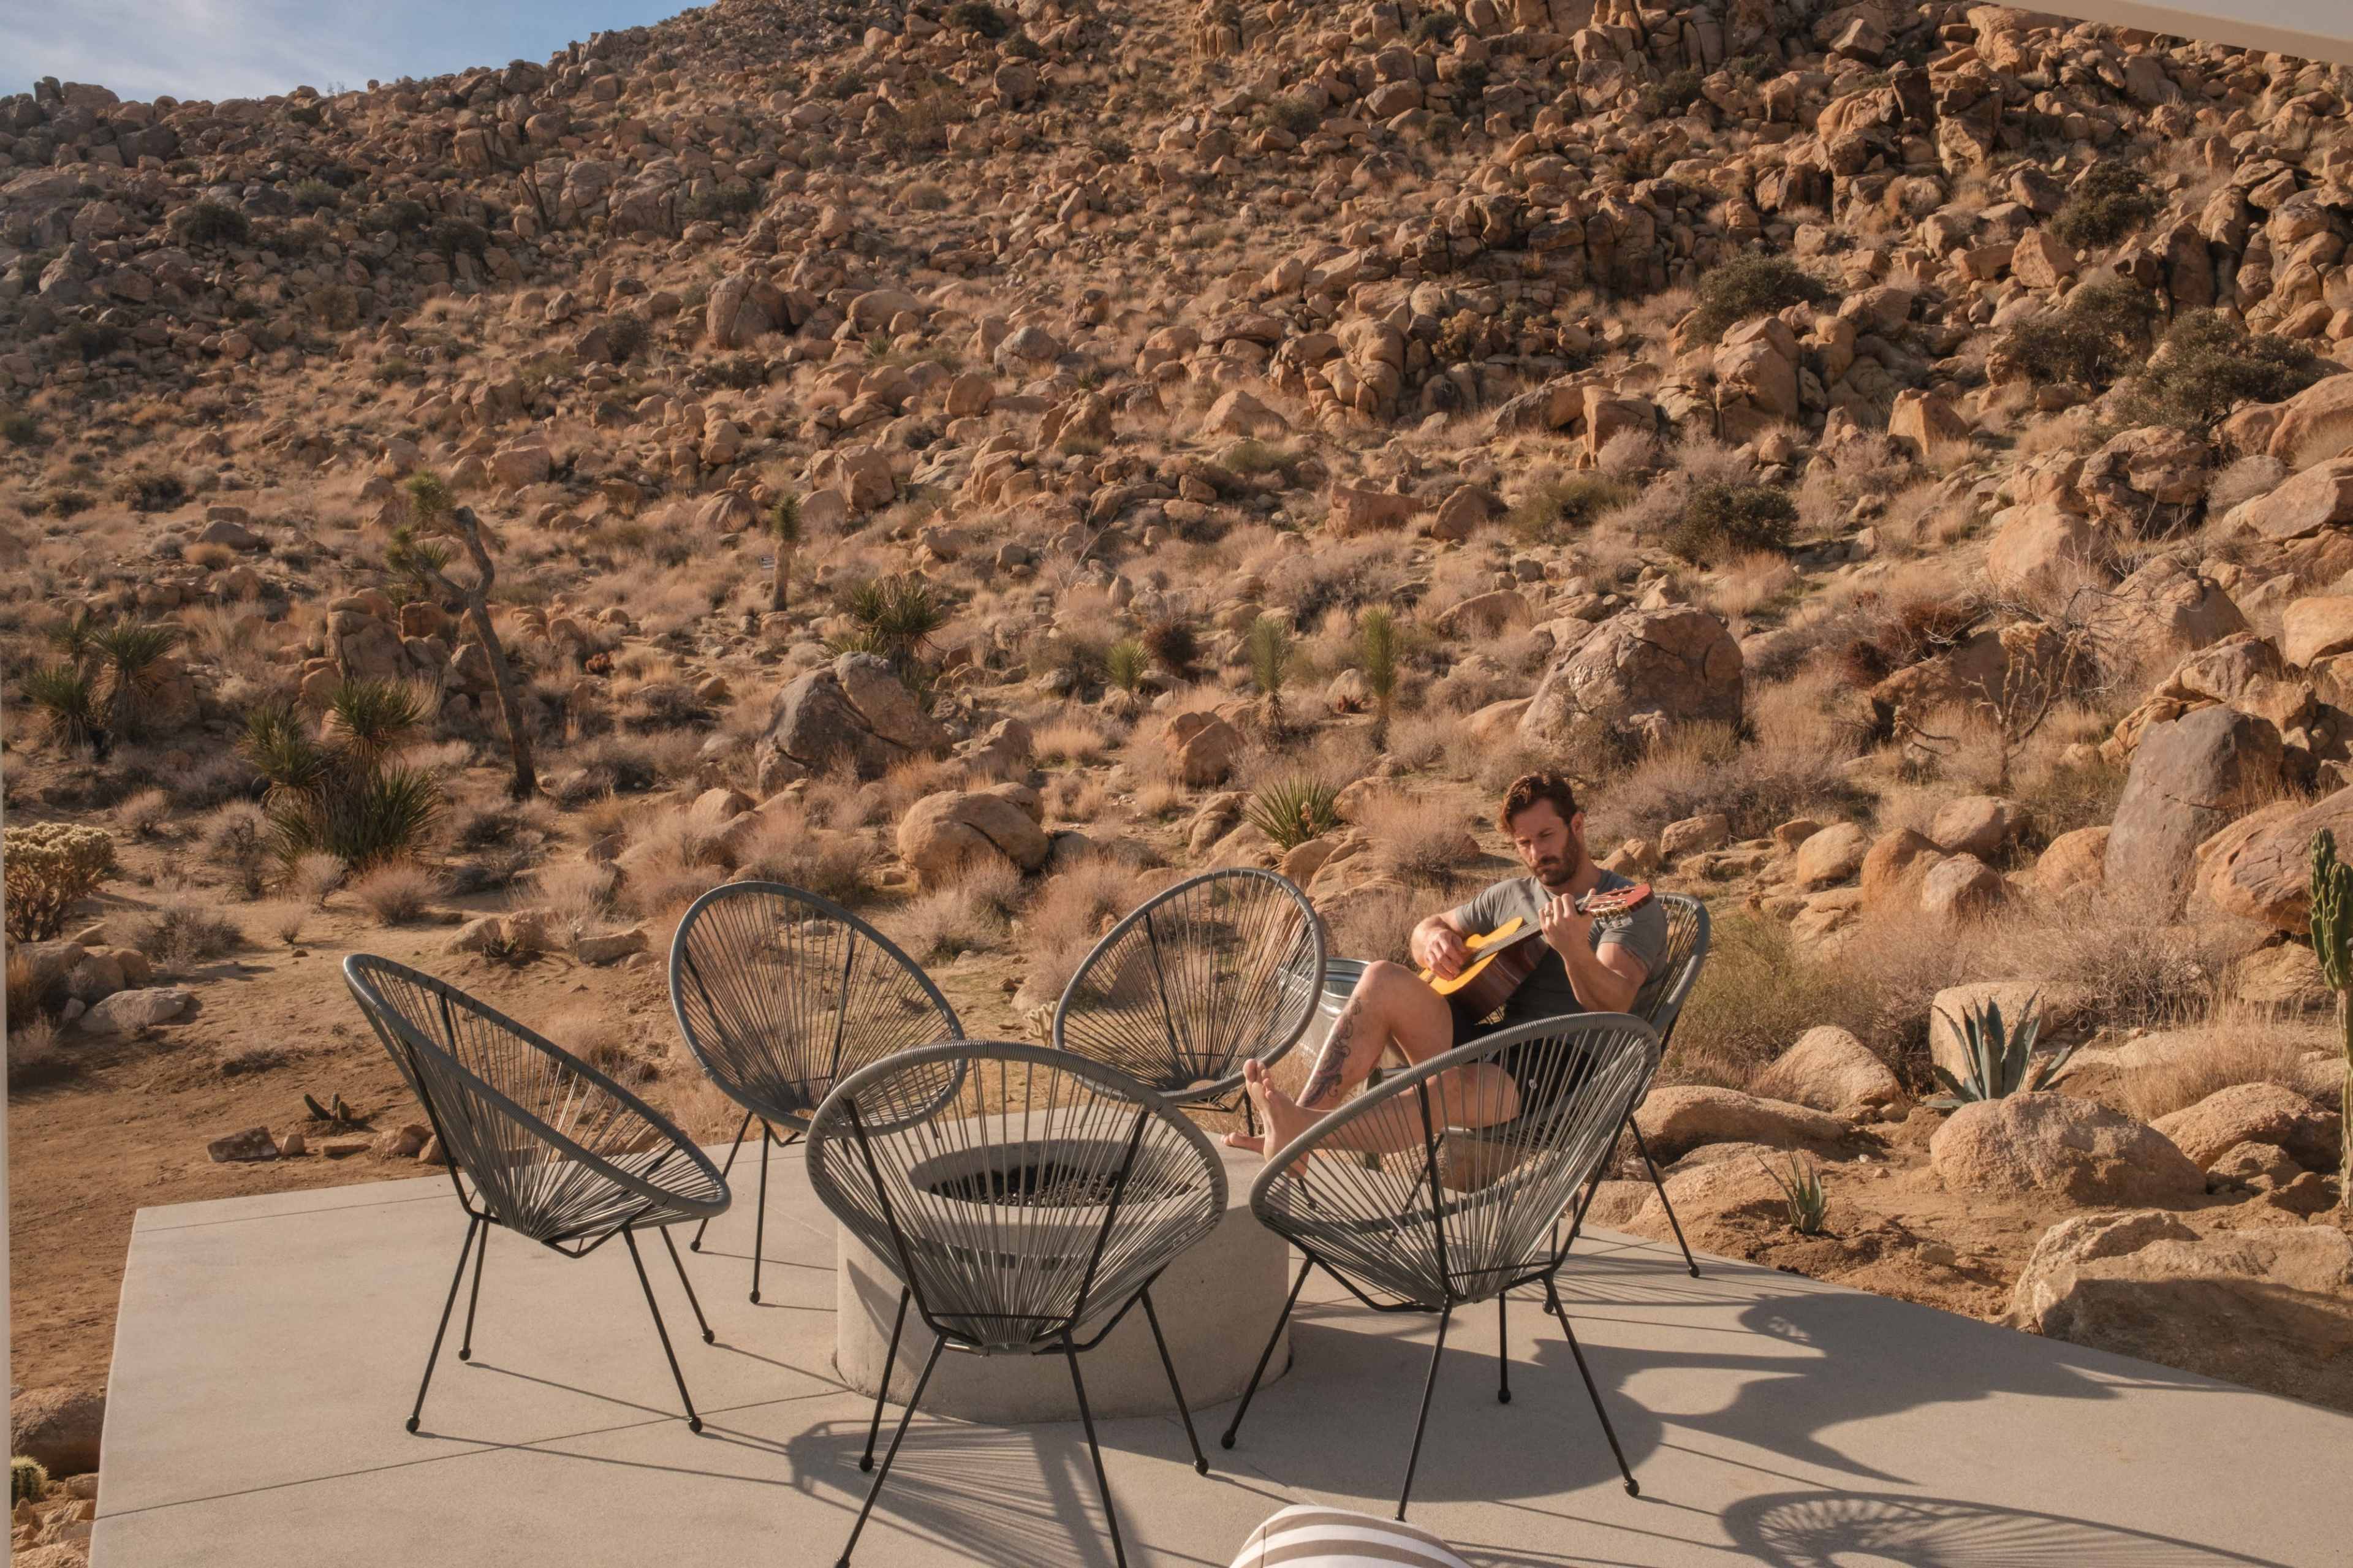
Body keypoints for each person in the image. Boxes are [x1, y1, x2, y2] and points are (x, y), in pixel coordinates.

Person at [1229, 770, 1667, 1159]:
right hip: (1499, 1044)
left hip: (1570, 1071)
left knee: (1450, 1088)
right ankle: (1299, 1124)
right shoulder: (1511, 895)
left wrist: (1574, 951)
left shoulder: (1627, 905)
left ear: (1577, 825)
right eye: (1524, 843)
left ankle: (1297, 1136)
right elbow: (1428, 927)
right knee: (1382, 976)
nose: (1536, 853)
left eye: (1547, 836)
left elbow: (1614, 1001)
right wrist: (1432, 941)